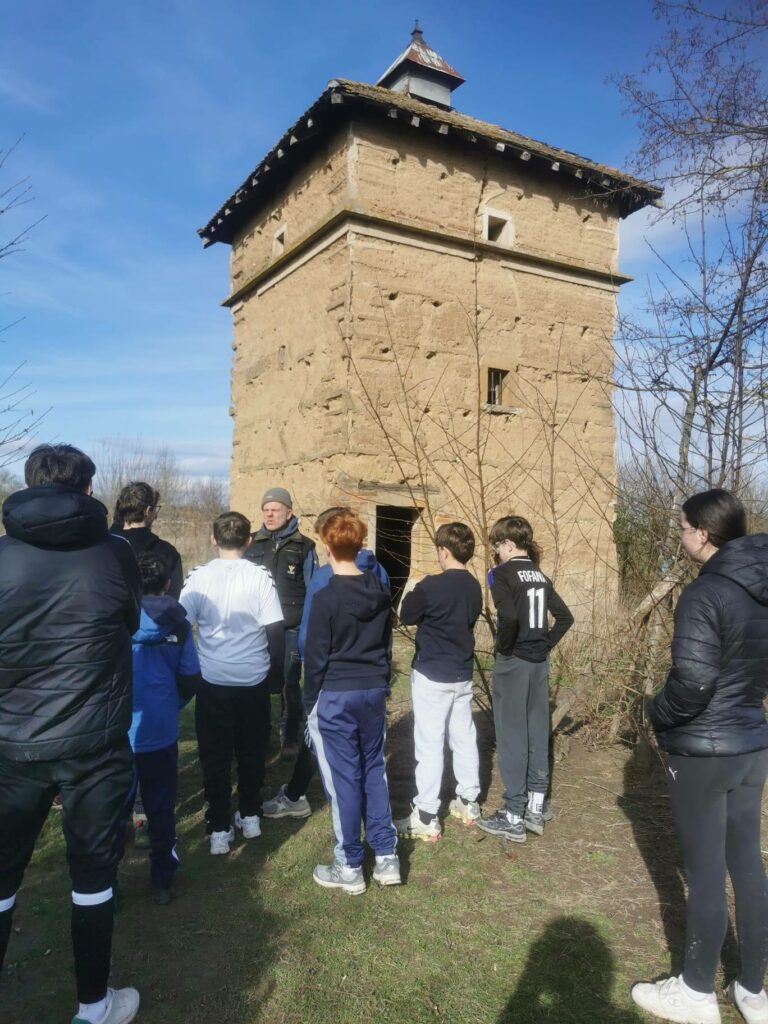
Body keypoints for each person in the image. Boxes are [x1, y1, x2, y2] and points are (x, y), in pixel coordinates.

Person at [0, 444, 142, 1024]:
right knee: (92, 874)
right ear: (87, 490)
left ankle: (96, 1004)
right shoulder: (116, 552)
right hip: (95, 741)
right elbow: (130, 620)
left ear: (30, 484)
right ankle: (93, 1005)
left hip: (13, 740)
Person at [631, 490, 768, 1024]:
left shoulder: (705, 593)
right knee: (748, 865)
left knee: (706, 870)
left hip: (704, 752)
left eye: (684, 528)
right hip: (751, 745)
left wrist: (657, 713)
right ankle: (753, 991)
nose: (681, 535)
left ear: (703, 534)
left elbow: (692, 681)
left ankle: (693, 993)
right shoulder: (761, 591)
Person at [263, 506, 390, 821]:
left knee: (317, 735)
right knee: (367, 752)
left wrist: (307, 667)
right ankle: (370, 817)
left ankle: (297, 795)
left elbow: (310, 634)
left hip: (333, 678)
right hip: (371, 676)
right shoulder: (380, 573)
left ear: (329, 541)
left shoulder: (325, 578)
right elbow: (385, 629)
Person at [303, 509, 400, 894]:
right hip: (372, 691)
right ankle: (387, 856)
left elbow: (315, 658)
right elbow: (385, 646)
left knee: (345, 777)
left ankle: (349, 864)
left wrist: (310, 702)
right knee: (373, 768)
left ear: (327, 547)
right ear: (360, 545)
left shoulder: (325, 597)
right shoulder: (379, 591)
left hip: (336, 695)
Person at [180, 511, 284, 855]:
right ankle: (249, 815)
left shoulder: (198, 577)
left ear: (214, 539)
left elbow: (181, 625)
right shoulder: (260, 577)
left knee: (215, 755)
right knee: (252, 750)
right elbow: (275, 630)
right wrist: (276, 675)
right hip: (251, 677)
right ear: (249, 541)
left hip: (214, 678)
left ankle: (220, 828)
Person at [477, 515, 574, 844]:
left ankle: (514, 814)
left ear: (507, 544)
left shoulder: (500, 574)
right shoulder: (540, 576)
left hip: (515, 661)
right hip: (538, 663)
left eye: (497, 546)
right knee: (536, 731)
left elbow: (509, 616)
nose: (496, 552)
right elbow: (565, 617)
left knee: (511, 736)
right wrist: (544, 644)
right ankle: (535, 807)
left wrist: (504, 649)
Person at [394, 522, 483, 842]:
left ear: (444, 551)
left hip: (432, 673)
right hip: (461, 673)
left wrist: (412, 587)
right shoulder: (474, 586)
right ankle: (469, 800)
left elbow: (405, 615)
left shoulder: (431, 585)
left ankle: (427, 815)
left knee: (430, 743)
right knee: (464, 736)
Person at [111, 481, 184, 848]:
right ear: (148, 511)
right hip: (155, 663)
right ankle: (142, 815)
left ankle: (115, 820)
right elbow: (174, 606)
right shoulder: (165, 552)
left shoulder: (101, 547)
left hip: (111, 656)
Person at [129, 552, 202, 904]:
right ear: (168, 583)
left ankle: (101, 884)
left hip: (119, 729)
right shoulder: (180, 625)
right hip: (160, 728)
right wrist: (172, 704)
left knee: (110, 811)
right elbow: (190, 676)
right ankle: (162, 880)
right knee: (160, 805)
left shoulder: (114, 618)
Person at [244, 487, 318, 758]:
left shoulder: (305, 546)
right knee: (256, 683)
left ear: (289, 512)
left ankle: (290, 737)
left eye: (275, 510)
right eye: (266, 510)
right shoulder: (251, 543)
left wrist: (309, 628)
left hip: (291, 628)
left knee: (290, 684)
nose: (269, 514)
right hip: (256, 628)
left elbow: (313, 589)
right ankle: (260, 736)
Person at [111, 481, 183, 599]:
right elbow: (172, 599)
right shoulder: (168, 553)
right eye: (155, 509)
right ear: (148, 511)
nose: (156, 515)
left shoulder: (102, 547)